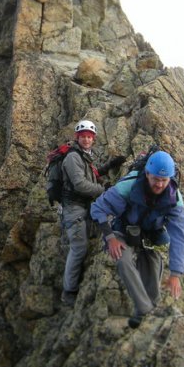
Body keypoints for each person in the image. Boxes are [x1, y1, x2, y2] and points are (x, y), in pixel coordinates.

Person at [90, 150, 184, 328]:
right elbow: (97, 208)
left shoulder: (174, 199)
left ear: (170, 179)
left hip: (150, 234)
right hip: (123, 229)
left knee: (152, 262)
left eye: (164, 180)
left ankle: (148, 307)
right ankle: (145, 309)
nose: (159, 185)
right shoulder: (129, 186)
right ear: (147, 174)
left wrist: (176, 273)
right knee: (122, 259)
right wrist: (111, 238)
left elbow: (180, 236)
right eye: (155, 179)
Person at [60, 120, 124, 306]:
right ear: (77, 137)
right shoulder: (73, 157)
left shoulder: (84, 155)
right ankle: (68, 291)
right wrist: (103, 189)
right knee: (79, 248)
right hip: (74, 208)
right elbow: (80, 184)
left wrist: (111, 165)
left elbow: (92, 174)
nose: (87, 139)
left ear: (93, 139)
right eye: (83, 136)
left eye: (89, 136)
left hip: (84, 205)